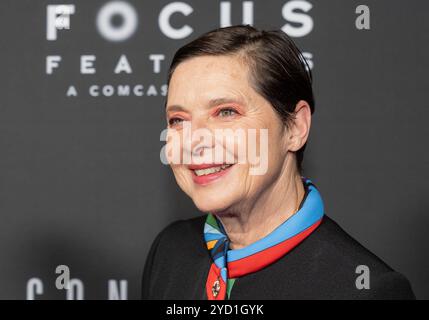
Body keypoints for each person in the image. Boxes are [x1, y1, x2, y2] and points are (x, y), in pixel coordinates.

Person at [141, 25, 415, 300]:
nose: (193, 142)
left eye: (226, 112)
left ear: (295, 127)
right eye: (178, 120)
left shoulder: (367, 291)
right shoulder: (169, 251)